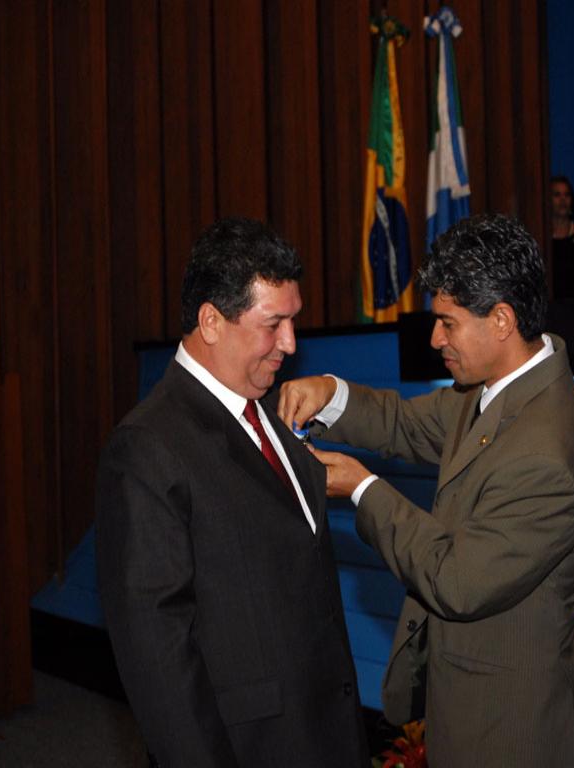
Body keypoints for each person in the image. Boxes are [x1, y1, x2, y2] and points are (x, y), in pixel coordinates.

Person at [278, 213, 574, 767]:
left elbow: (456, 581)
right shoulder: (495, 391)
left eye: (448, 323)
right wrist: (330, 393)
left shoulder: (545, 454)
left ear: (501, 320)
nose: (435, 339)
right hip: (469, 715)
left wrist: (362, 489)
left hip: (515, 732)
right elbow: (405, 424)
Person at [95, 217, 369, 768]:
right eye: (273, 324)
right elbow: (158, 658)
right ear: (211, 321)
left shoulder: (269, 413)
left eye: (293, 320)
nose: (290, 343)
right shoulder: (147, 446)